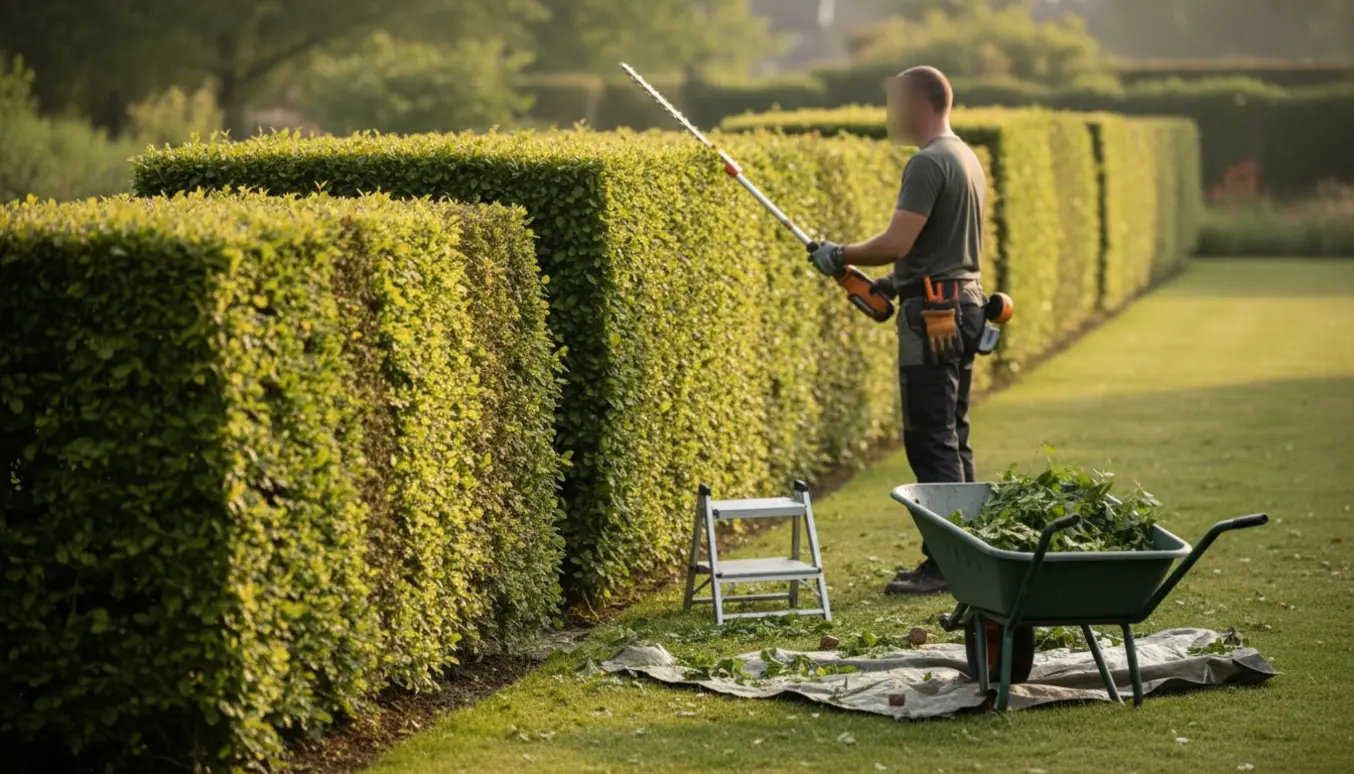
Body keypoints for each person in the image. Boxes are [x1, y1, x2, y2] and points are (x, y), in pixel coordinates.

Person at [808, 66, 988, 596]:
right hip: (964, 304)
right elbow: (937, 251)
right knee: (953, 436)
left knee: (930, 440)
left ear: (918, 102)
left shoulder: (927, 162)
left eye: (894, 103)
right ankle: (968, 554)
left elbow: (897, 241)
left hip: (934, 319)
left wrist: (840, 254)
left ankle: (946, 565)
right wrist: (890, 283)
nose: (890, 114)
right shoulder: (965, 156)